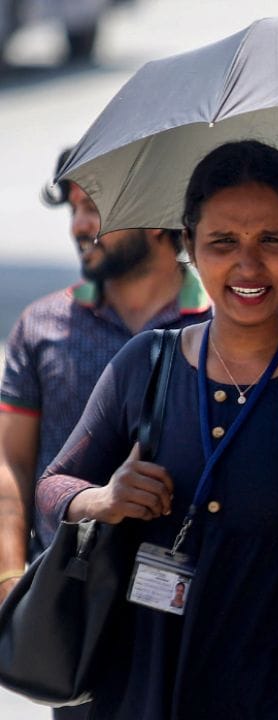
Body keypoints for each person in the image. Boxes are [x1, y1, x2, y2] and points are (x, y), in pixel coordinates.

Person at [33, 140, 278, 719]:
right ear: (189, 244)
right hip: (151, 693)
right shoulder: (146, 364)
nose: (248, 266)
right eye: (223, 242)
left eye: (272, 240)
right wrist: (102, 499)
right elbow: (53, 486)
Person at [0, 149, 211, 613]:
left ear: (155, 215)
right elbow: (11, 463)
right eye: (73, 208)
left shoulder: (219, 328)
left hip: (185, 598)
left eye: (94, 207)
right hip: (64, 593)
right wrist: (10, 577)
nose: (78, 225)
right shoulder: (41, 326)